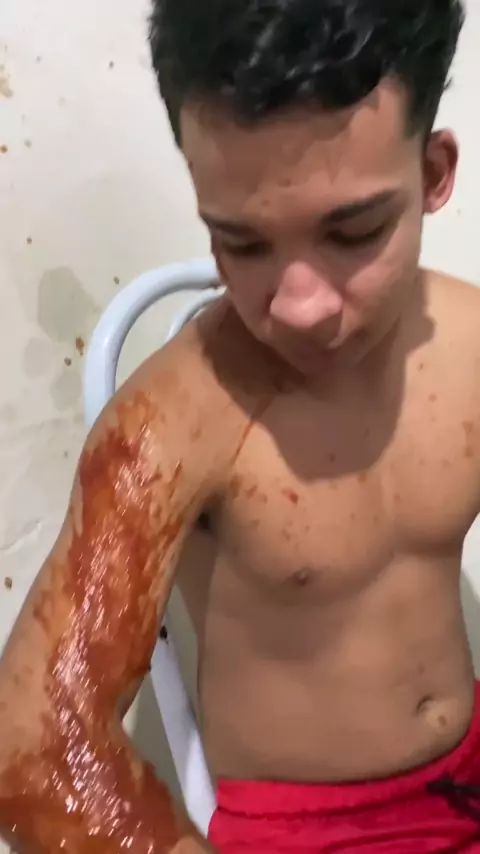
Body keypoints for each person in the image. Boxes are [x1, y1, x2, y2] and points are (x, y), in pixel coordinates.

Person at [2, 0, 480, 851]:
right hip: (300, 832)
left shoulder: (472, 349)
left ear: (434, 174)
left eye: (354, 231)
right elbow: (34, 742)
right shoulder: (176, 421)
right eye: (243, 244)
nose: (300, 305)